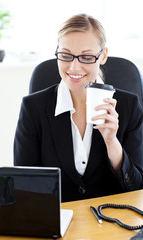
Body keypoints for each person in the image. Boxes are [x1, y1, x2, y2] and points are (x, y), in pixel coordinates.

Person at [14, 14, 143, 202]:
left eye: (86, 57)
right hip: (58, 223)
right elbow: (24, 186)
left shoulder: (129, 106)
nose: (74, 67)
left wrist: (112, 143)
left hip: (113, 222)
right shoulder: (33, 108)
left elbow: (138, 188)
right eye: (66, 55)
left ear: (103, 55)